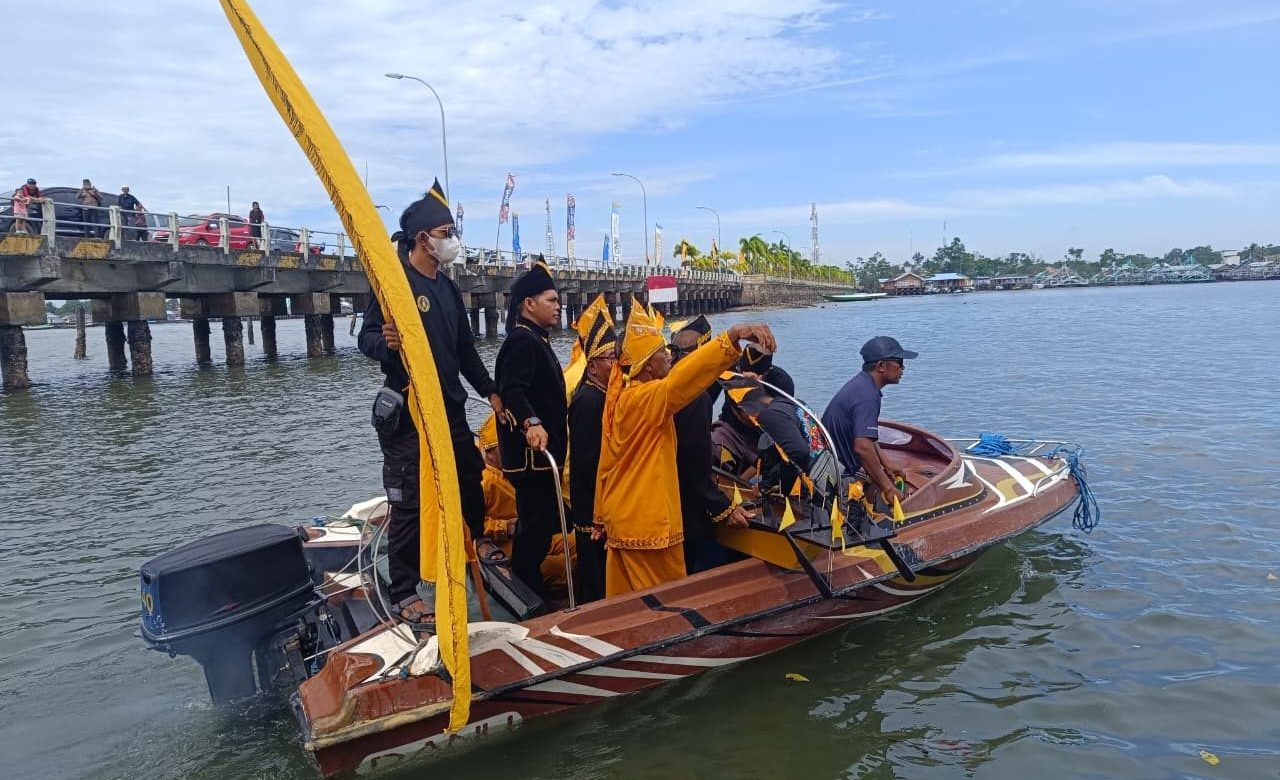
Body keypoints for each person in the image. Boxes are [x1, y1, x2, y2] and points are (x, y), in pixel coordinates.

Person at [358, 177, 504, 622]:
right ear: (423, 239)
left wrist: (492, 392)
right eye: (446, 234)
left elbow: (464, 352)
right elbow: (366, 339)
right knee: (409, 502)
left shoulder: (446, 288)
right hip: (408, 413)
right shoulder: (394, 284)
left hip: (450, 406)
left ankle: (474, 538)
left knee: (470, 477)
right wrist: (388, 344)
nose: (453, 242)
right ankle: (403, 590)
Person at [594, 300, 774, 596]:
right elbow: (681, 381)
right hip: (649, 528)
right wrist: (732, 337)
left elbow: (606, 461)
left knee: (626, 603)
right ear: (648, 366)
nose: (669, 357)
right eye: (662, 353)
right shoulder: (647, 398)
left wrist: (600, 515)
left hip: (621, 520)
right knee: (667, 605)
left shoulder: (617, 397)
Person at [494, 259, 568, 601]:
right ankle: (525, 590)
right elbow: (512, 389)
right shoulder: (522, 341)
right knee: (534, 530)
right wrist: (532, 422)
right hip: (532, 458)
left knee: (541, 527)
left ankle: (530, 581)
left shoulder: (537, 338)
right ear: (529, 304)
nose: (558, 306)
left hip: (544, 457)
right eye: (551, 300)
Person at [670, 315, 754, 574]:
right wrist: (723, 507)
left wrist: (728, 376)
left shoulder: (671, 387)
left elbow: (706, 383)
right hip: (687, 504)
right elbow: (695, 464)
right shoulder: (693, 399)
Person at [821, 335, 917, 507]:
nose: (903, 368)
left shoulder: (861, 386)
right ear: (881, 366)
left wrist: (886, 464)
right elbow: (862, 447)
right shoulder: (867, 397)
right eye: (899, 362)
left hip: (834, 465)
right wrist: (888, 488)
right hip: (838, 475)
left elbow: (866, 437)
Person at [567, 305, 616, 602]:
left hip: (599, 497)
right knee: (595, 568)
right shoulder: (589, 401)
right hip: (591, 500)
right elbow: (588, 462)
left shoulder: (602, 394)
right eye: (610, 359)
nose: (616, 364)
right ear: (593, 365)